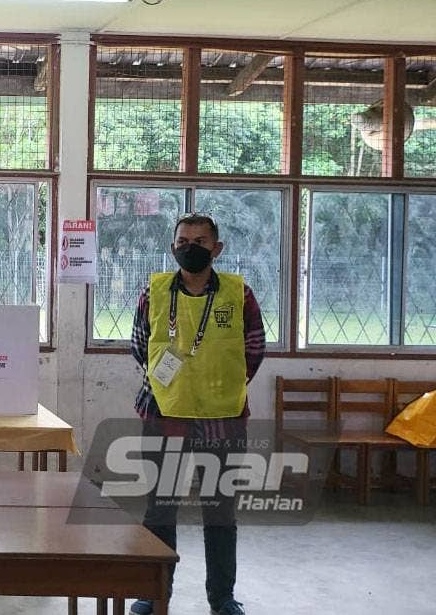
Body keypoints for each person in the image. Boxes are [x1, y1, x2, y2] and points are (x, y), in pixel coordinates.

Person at [128, 213, 265, 615]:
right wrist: (174, 385)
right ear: (173, 247)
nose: (191, 247)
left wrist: (219, 385)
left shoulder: (239, 294)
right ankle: (154, 594)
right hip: (163, 415)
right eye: (184, 240)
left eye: (201, 241)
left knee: (220, 512)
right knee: (159, 510)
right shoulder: (153, 292)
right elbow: (140, 346)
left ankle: (222, 598)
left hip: (222, 419)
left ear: (216, 249)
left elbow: (253, 349)